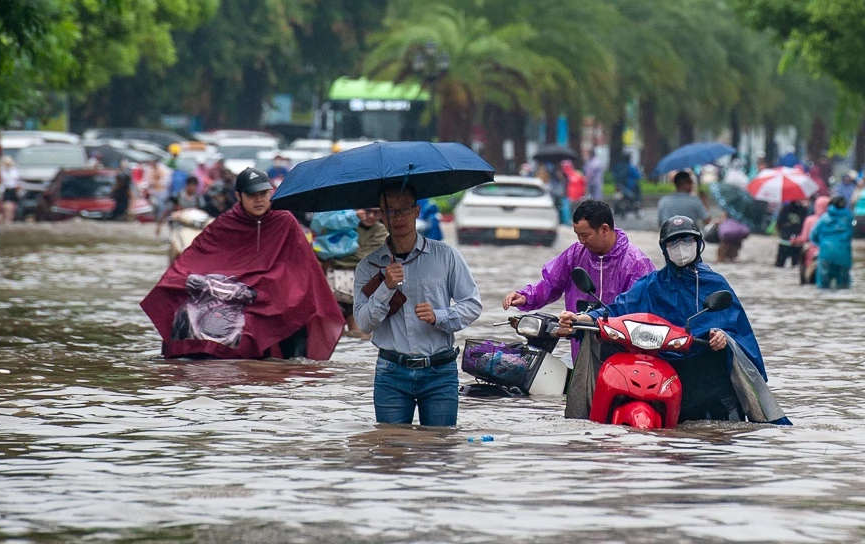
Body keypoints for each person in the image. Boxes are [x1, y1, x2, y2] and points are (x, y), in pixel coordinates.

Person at [561, 214, 787, 423]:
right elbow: (618, 309)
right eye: (673, 242)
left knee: (720, 434)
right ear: (664, 248)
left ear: (698, 244)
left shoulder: (714, 284)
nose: (680, 248)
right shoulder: (652, 284)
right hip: (661, 373)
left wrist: (723, 337)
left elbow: (736, 329)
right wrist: (584, 318)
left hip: (709, 382)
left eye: (686, 240)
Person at [141, 168, 345, 360]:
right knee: (187, 315)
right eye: (252, 195)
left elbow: (301, 268)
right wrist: (179, 280)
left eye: (264, 194)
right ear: (239, 196)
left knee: (270, 319)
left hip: (272, 295)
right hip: (231, 294)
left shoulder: (285, 221)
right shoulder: (226, 223)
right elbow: (195, 258)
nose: (259, 200)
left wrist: (267, 284)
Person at [354, 182, 483, 427]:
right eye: (390, 211)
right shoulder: (369, 266)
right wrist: (386, 288)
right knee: (391, 452)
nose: (398, 217)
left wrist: (439, 316)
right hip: (391, 372)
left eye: (404, 209)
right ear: (381, 216)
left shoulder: (446, 256)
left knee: (439, 449)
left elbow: (472, 304)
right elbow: (363, 323)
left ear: (416, 211)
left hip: (440, 371)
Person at [501, 199, 655, 371]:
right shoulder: (575, 253)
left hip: (623, 353)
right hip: (581, 346)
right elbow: (551, 284)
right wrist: (526, 296)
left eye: (585, 235)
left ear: (604, 229)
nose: (581, 241)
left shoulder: (636, 263)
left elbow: (636, 309)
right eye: (577, 235)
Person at [814, 193, 854, 289]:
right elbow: (851, 234)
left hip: (826, 254)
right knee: (843, 287)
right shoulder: (849, 218)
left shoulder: (824, 218)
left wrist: (822, 244)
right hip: (844, 255)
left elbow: (813, 235)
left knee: (823, 286)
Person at [773, 197, 810, 269]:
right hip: (797, 241)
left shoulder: (785, 209)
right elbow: (805, 226)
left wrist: (784, 231)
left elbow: (779, 223)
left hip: (785, 240)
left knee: (779, 264)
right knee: (796, 265)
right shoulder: (804, 210)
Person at [0, 149, 21, 226]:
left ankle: (10, 220)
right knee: (7, 207)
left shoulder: (14, 171)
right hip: (6, 190)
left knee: (13, 207)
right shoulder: (1, 171)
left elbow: (17, 181)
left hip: (13, 190)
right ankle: (7, 221)